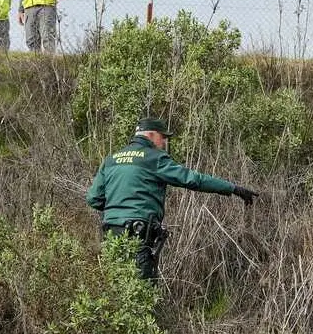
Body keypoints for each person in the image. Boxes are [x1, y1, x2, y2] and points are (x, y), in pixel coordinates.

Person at [85, 118, 258, 280]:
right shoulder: (154, 158)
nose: (164, 143)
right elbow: (193, 180)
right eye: (162, 138)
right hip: (139, 232)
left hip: (111, 232)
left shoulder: (111, 160)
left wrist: (118, 210)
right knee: (141, 286)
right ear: (151, 135)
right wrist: (233, 188)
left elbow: (94, 198)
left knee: (115, 283)